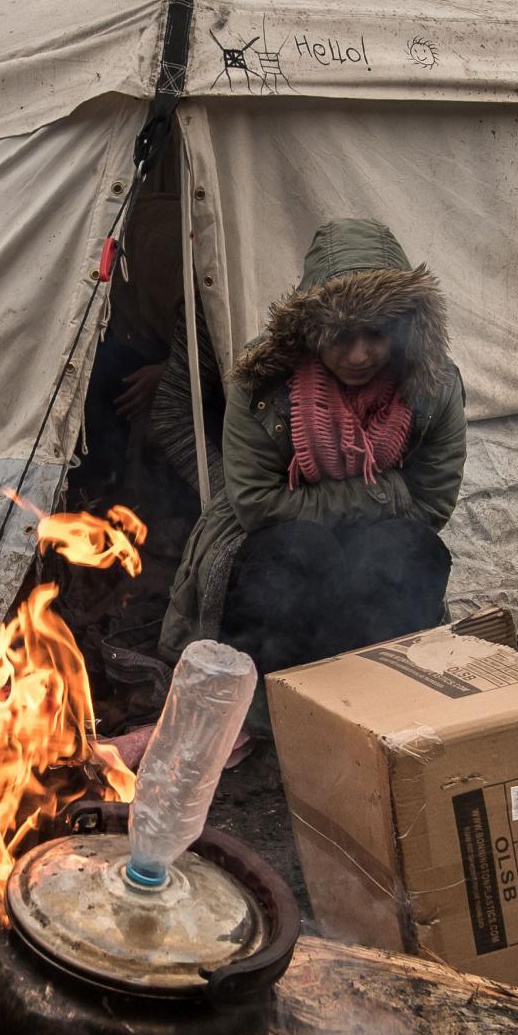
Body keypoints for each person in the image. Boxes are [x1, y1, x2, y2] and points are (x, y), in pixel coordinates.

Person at [162, 218, 465, 688]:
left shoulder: (432, 384)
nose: (360, 355)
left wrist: (362, 525)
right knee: (299, 551)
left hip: (377, 537)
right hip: (266, 541)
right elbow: (257, 504)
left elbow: (431, 505)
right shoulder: (261, 380)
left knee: (410, 550)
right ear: (309, 330)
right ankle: (273, 703)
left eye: (376, 335)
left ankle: (380, 694)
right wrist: (384, 492)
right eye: (341, 336)